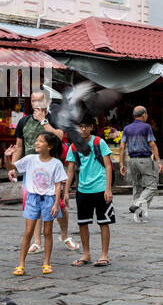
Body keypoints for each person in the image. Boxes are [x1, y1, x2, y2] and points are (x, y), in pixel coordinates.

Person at [6, 91, 79, 252]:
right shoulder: (23, 121)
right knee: (34, 205)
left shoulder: (54, 118)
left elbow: (60, 136)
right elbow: (19, 146)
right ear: (30, 103)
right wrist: (13, 166)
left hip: (51, 168)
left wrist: (43, 121)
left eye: (40, 100)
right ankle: (37, 241)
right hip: (31, 169)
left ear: (46, 101)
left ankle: (65, 235)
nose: (37, 104)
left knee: (59, 204)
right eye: (34, 101)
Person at [12, 131, 67, 276]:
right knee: (28, 232)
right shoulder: (30, 159)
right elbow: (13, 168)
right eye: (36, 140)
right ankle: (21, 264)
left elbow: (58, 185)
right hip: (32, 198)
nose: (36, 143)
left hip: (49, 199)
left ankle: (47, 263)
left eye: (40, 141)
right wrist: (7, 157)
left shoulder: (56, 163)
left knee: (47, 232)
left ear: (50, 146)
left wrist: (56, 204)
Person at [65, 117, 115, 267]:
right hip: (82, 189)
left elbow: (108, 166)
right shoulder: (74, 146)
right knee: (83, 223)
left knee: (104, 222)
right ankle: (86, 254)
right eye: (80, 127)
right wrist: (66, 191)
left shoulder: (99, 142)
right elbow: (70, 170)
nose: (83, 130)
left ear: (92, 127)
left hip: (100, 188)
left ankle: (104, 255)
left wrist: (108, 188)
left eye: (86, 126)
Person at [119, 106, 163, 222]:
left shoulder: (127, 128)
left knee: (137, 186)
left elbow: (122, 146)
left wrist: (121, 164)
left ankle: (138, 215)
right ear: (144, 115)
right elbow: (152, 145)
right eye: (146, 115)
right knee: (152, 186)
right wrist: (158, 161)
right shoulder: (146, 127)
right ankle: (137, 204)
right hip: (144, 159)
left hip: (132, 160)